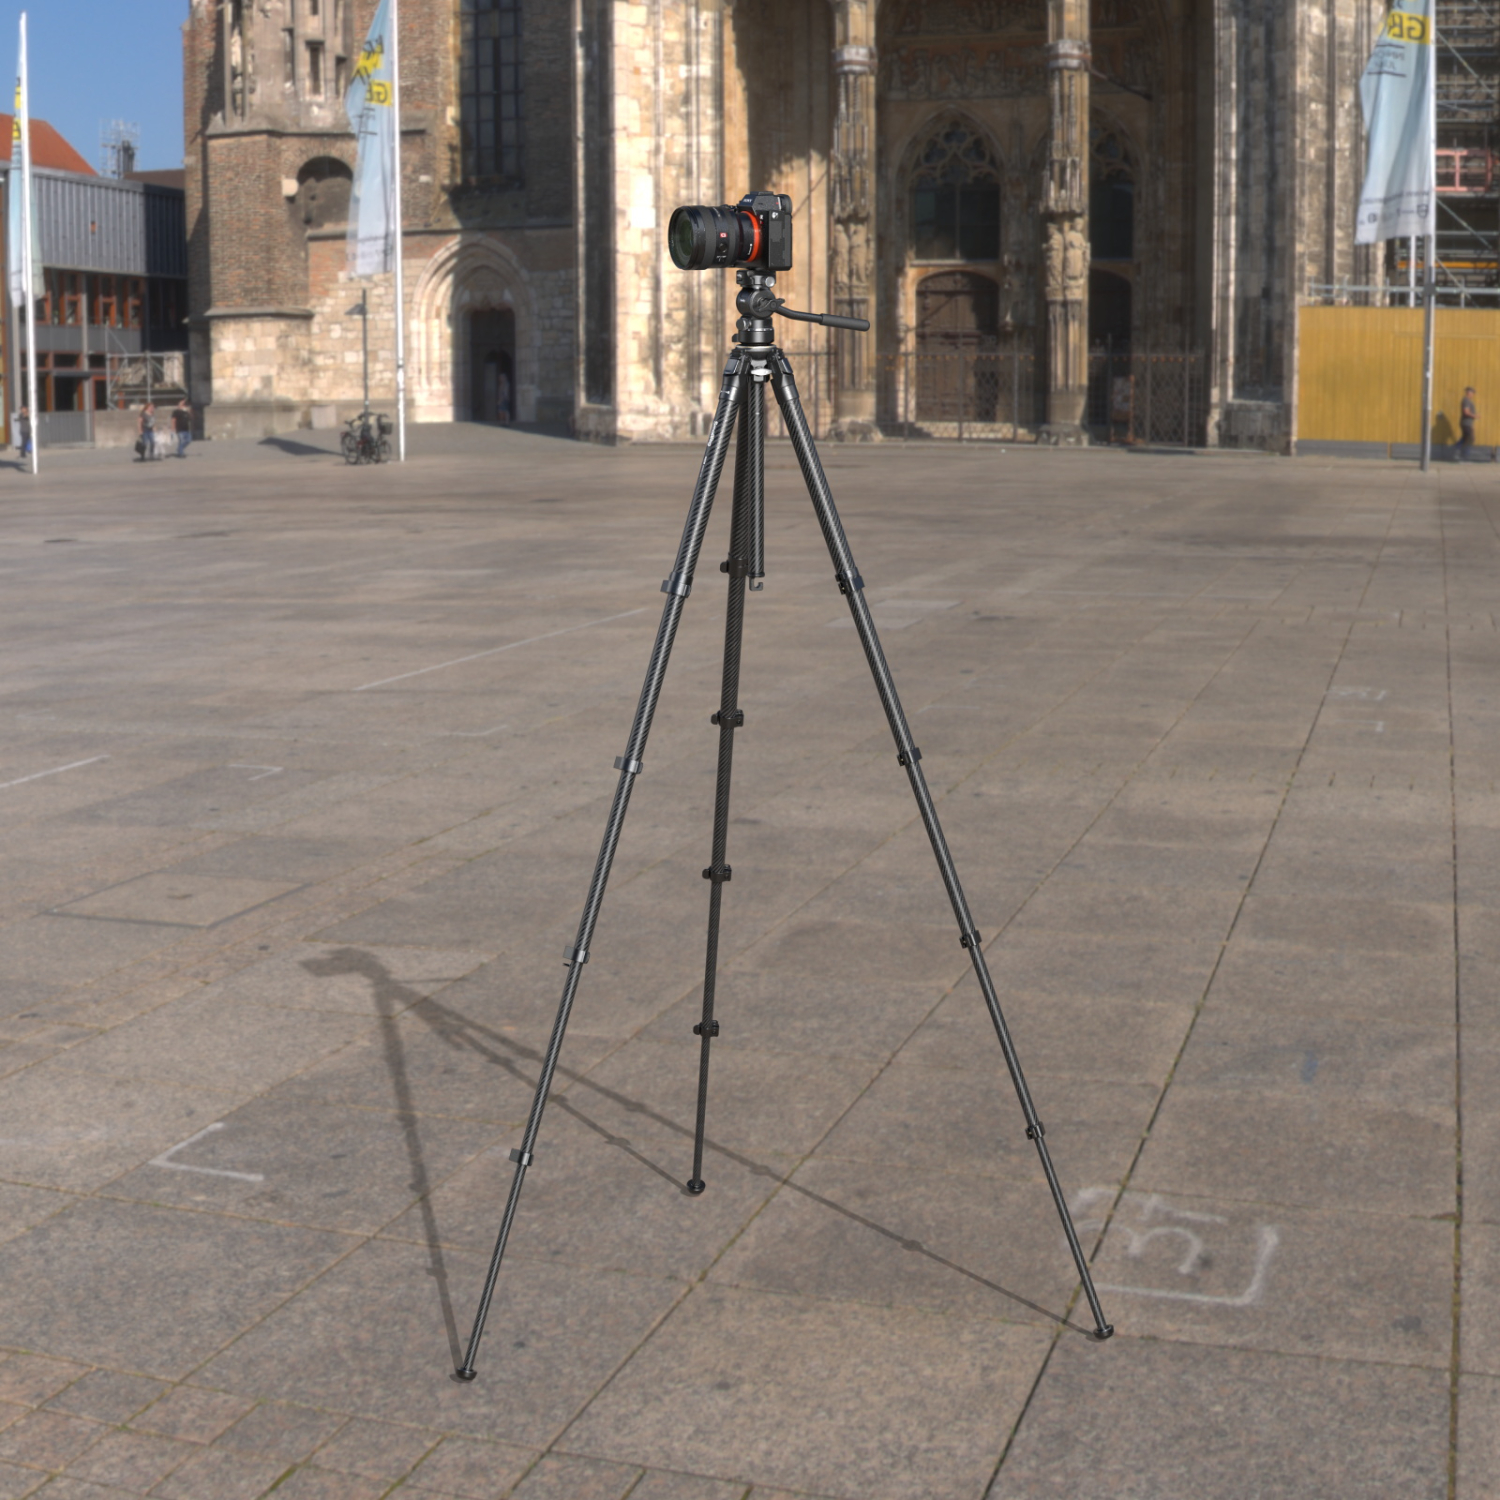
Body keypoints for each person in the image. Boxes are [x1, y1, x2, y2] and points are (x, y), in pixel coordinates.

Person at [1459, 387, 1477, 461]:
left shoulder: (1467, 401)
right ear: (1468, 393)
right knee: (1470, 439)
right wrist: (1475, 416)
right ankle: (1463, 457)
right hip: (1466, 423)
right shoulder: (1466, 401)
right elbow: (1466, 412)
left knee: (1465, 439)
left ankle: (1455, 450)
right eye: (1472, 393)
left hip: (1467, 423)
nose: (1473, 395)